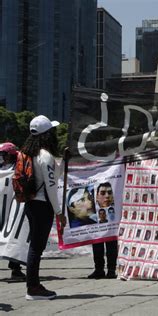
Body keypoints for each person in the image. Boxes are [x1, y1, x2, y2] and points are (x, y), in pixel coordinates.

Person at [21, 115, 67, 300]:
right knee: (36, 248)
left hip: (31, 204)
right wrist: (59, 212)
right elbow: (51, 186)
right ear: (47, 134)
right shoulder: (45, 155)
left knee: (35, 246)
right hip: (42, 206)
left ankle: (34, 285)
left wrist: (63, 161)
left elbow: (53, 177)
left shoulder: (28, 153)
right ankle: (33, 288)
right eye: (52, 131)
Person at [0, 142, 26, 280]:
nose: (2, 158)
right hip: (2, 208)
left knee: (14, 235)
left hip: (14, 207)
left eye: (3, 155)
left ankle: (15, 268)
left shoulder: (19, 167)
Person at [88, 182, 118, 279]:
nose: (107, 196)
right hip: (97, 227)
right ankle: (99, 270)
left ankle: (111, 270)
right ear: (96, 196)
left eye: (109, 193)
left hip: (112, 226)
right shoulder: (91, 215)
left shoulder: (116, 211)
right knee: (97, 244)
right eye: (103, 193)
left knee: (111, 245)